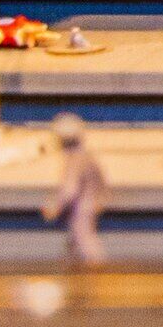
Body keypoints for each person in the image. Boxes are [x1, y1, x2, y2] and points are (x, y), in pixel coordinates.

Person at [42, 113, 112, 269]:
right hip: (90, 201)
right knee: (74, 241)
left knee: (84, 238)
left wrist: (55, 206)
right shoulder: (87, 156)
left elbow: (70, 189)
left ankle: (97, 270)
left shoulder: (74, 160)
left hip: (82, 206)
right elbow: (101, 180)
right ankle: (74, 269)